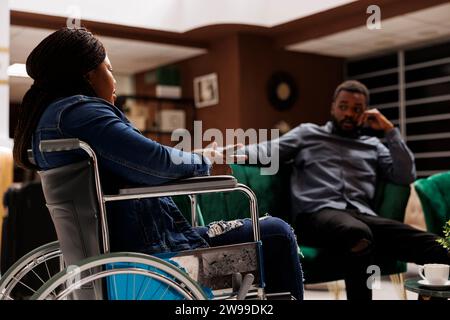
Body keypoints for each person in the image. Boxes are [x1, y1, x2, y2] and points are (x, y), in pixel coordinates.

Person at [12, 27, 303, 300]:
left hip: (115, 251)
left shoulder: (52, 119)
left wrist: (202, 156)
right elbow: (156, 162)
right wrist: (206, 162)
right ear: (89, 75)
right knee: (276, 231)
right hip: (152, 253)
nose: (113, 80)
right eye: (109, 70)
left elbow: (139, 161)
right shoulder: (82, 112)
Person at [240, 80, 450, 300]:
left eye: (356, 109)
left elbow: (405, 175)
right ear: (333, 107)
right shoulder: (308, 134)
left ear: (365, 114)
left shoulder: (373, 145)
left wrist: (390, 131)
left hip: (362, 216)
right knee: (357, 233)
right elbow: (266, 151)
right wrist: (224, 153)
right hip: (316, 215)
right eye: (343, 106)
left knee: (434, 245)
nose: (348, 113)